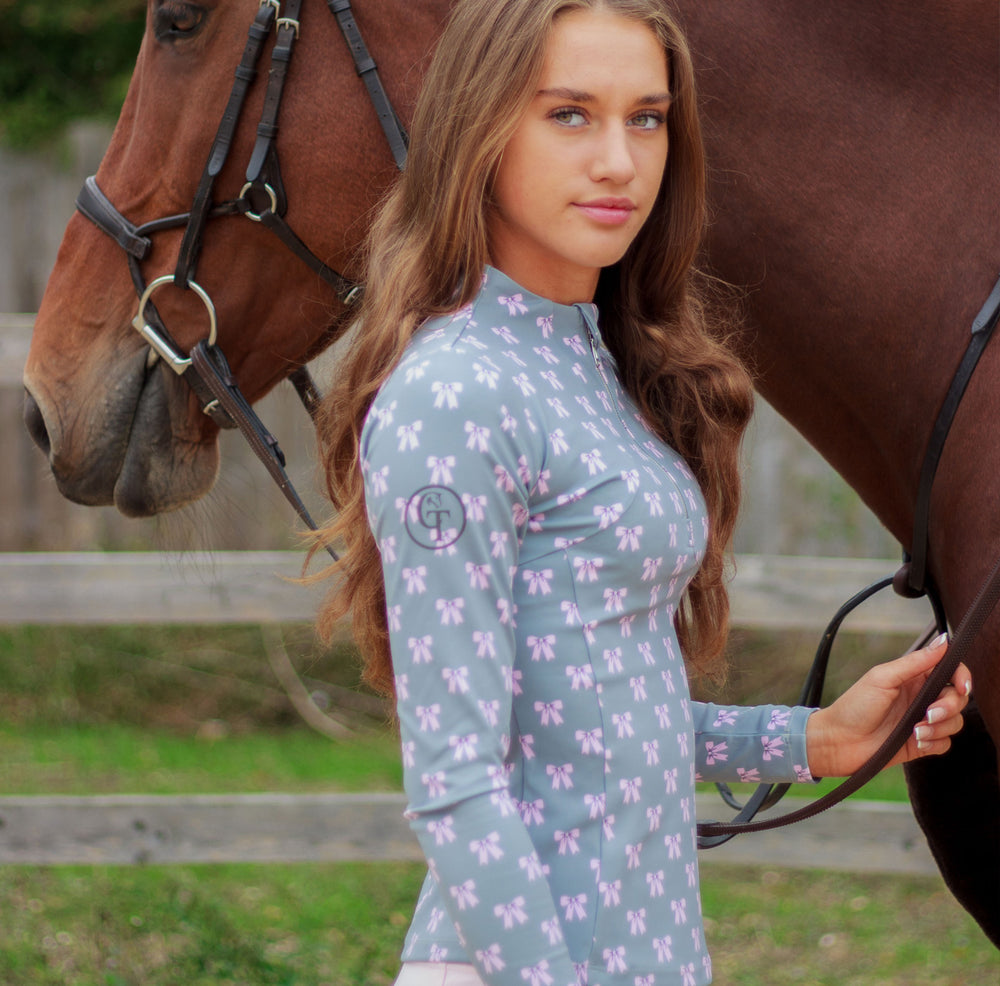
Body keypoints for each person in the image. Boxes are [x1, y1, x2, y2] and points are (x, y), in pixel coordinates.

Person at [314, 1, 972, 983]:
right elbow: (456, 780)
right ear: (477, 130)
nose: (619, 161)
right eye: (569, 115)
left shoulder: (593, 364)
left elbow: (589, 712)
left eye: (647, 117)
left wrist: (813, 737)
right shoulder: (456, 389)